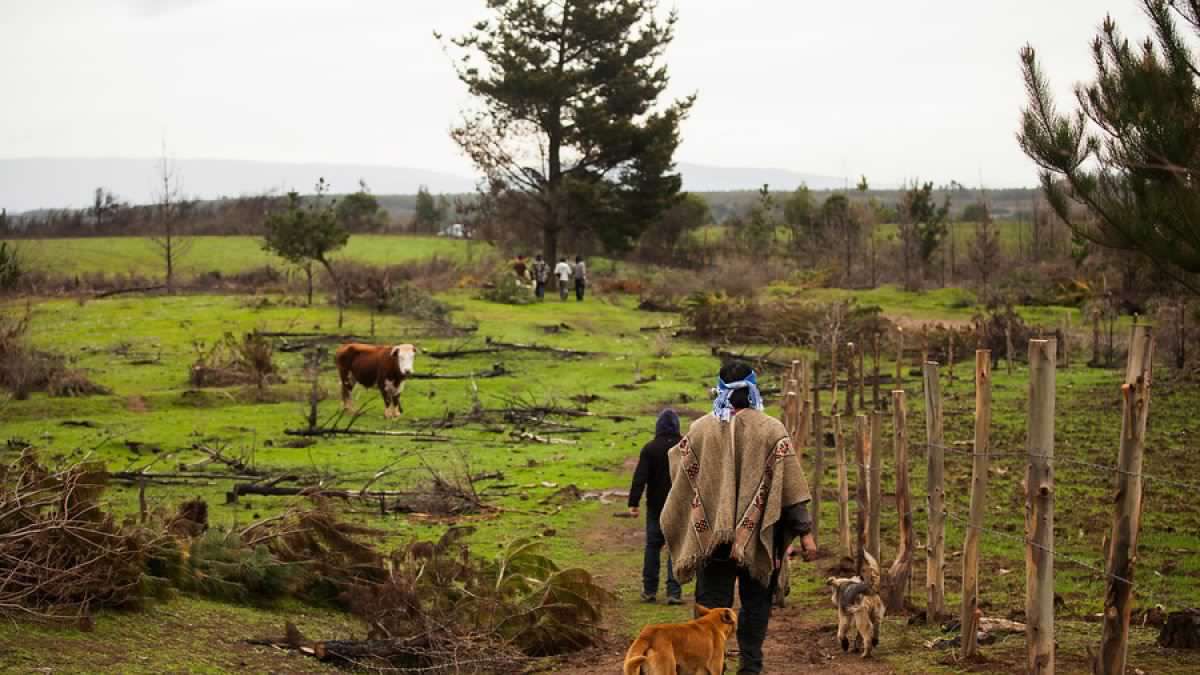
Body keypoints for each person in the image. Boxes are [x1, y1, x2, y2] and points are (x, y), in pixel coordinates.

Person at [660, 361, 817, 675]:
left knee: (709, 611)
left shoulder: (701, 429)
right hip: (758, 541)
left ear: (720, 389)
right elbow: (791, 488)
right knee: (756, 605)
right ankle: (750, 668)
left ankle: (705, 667)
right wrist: (805, 534)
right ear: (753, 388)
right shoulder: (771, 429)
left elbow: (680, 473)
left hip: (711, 542)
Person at [629, 409, 684, 605]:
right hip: (679, 506)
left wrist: (633, 503)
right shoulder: (685, 446)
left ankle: (649, 590)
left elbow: (640, 477)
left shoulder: (650, 448)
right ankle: (674, 592)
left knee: (652, 547)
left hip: (655, 507)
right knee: (675, 548)